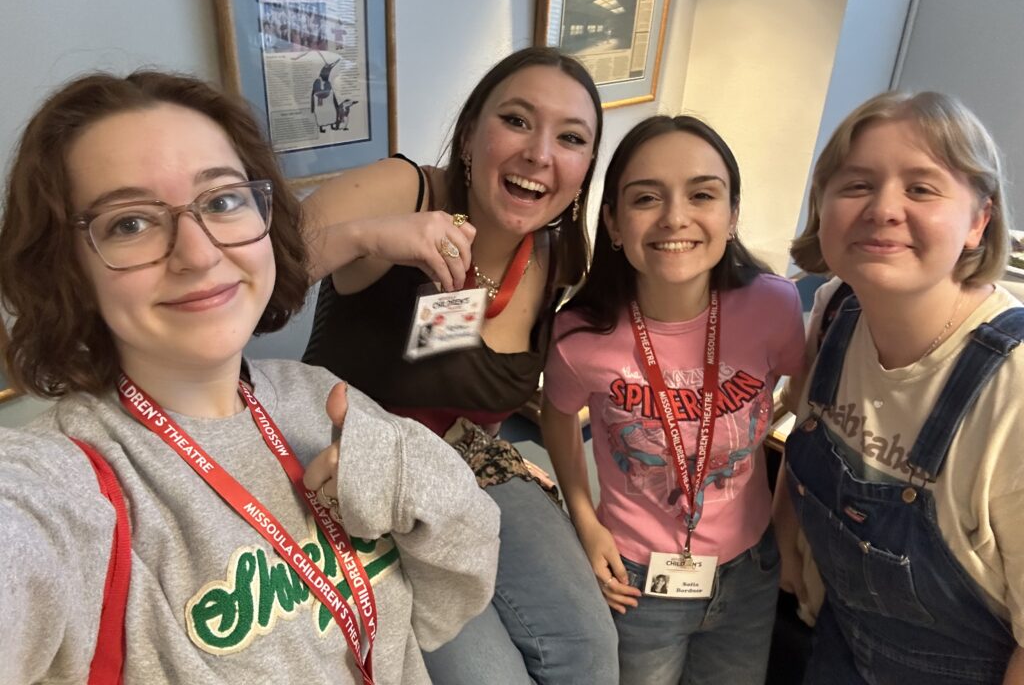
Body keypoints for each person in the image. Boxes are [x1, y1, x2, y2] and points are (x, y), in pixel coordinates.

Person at [0, 70, 500, 684]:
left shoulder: (318, 396)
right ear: (68, 268)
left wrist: (408, 481)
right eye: (129, 222)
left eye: (221, 200)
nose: (199, 253)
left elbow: (444, 603)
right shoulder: (60, 489)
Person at [301, 46, 618, 684]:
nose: (539, 153)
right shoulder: (409, 188)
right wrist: (368, 238)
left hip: (465, 463)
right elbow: (261, 266)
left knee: (589, 648)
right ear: (471, 133)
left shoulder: (558, 259)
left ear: (583, 172)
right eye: (518, 121)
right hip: (349, 476)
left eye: (571, 138)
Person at [541, 115, 805, 684]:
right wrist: (585, 521)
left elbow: (803, 401)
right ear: (612, 221)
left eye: (702, 194)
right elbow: (558, 415)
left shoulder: (774, 307)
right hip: (636, 578)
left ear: (732, 215)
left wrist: (783, 519)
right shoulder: (579, 334)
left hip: (749, 566)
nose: (675, 218)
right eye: (645, 198)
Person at [778, 91, 1024, 684]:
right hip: (841, 639)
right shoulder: (837, 309)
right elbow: (804, 431)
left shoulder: (1013, 389)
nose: (884, 209)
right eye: (857, 184)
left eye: (921, 188)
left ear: (979, 221)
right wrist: (786, 539)